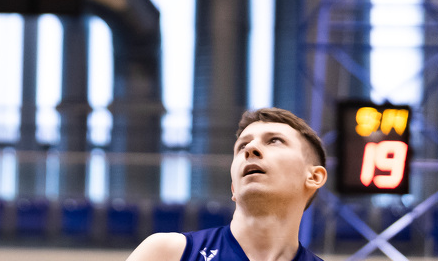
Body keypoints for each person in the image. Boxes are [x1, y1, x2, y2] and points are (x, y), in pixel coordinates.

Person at [127, 108, 329, 261]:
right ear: (233, 187)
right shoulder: (167, 253)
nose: (251, 148)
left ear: (314, 177)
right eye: (242, 146)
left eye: (274, 141)